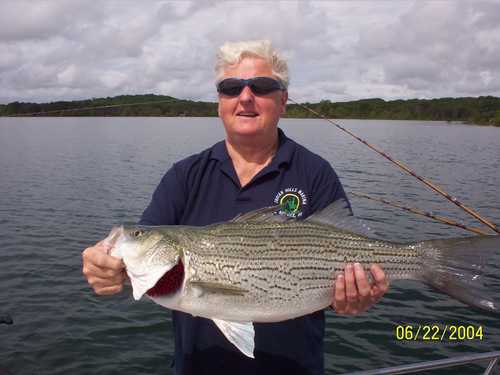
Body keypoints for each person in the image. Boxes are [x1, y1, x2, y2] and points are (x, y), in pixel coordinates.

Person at [82, 40, 389, 375]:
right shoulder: (185, 175)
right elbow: (141, 254)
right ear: (219, 103)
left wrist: (357, 296)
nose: (245, 97)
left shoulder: (315, 172)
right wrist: (107, 265)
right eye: (231, 88)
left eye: (261, 86)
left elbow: (350, 257)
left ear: (282, 100)